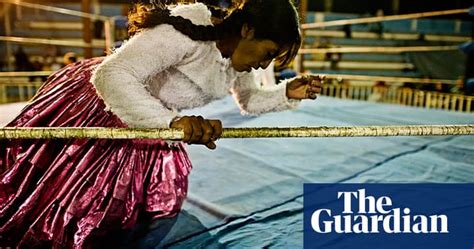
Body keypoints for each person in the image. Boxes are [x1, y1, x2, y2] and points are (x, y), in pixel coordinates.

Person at [0, 0, 323, 247]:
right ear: (247, 30)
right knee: (60, 209)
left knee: (141, 212)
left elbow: (249, 101)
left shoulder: (237, 60)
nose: (263, 64)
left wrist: (285, 92)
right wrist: (172, 122)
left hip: (152, 122)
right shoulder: (183, 33)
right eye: (267, 53)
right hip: (102, 105)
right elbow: (112, 75)